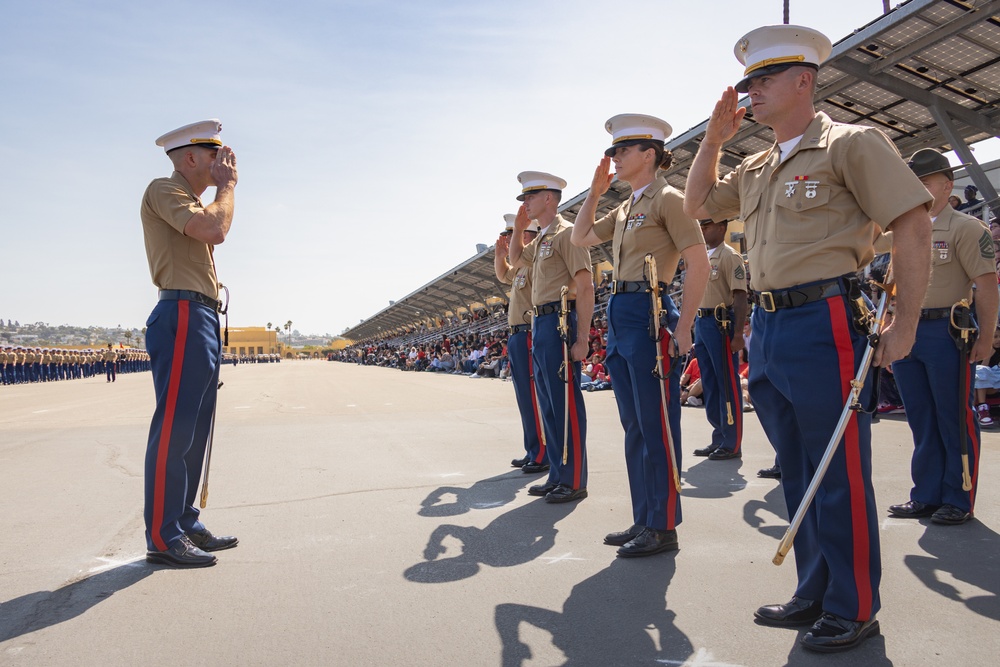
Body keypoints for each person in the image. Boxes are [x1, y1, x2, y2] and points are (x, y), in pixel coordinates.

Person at [683, 25, 932, 652]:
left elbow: (911, 223)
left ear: (804, 80)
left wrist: (903, 322)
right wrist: (713, 139)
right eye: (746, 83)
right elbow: (694, 206)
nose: (751, 92)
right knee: (798, 469)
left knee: (839, 469)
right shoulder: (756, 165)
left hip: (825, 319)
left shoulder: (850, 144)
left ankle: (854, 605)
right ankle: (815, 589)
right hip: (768, 327)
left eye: (762, 80)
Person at [571, 114, 709, 556]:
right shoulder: (628, 206)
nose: (614, 158)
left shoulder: (669, 199)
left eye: (622, 151)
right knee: (634, 425)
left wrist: (684, 324)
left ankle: (663, 524)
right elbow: (582, 236)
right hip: (621, 311)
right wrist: (594, 193)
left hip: (651, 311)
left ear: (649, 154)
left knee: (657, 424)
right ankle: (643, 517)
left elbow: (699, 262)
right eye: (613, 151)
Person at [140, 119, 239, 568]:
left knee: (195, 428)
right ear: (192, 158)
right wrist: (228, 188)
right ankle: (163, 536)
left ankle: (182, 519)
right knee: (176, 427)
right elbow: (214, 230)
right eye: (216, 156)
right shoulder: (164, 188)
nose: (224, 164)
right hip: (181, 312)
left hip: (200, 313)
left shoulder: (189, 200)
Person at [887, 149, 998, 525]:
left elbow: (986, 285)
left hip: (946, 331)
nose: (916, 189)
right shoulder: (900, 230)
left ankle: (958, 496)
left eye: (925, 182)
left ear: (947, 186)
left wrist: (985, 338)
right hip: (907, 329)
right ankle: (927, 494)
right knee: (921, 417)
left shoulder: (966, 229)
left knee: (953, 417)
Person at [510, 171, 593, 503]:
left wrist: (583, 338)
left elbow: (586, 286)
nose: (525, 203)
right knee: (548, 404)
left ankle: (573, 479)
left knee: (565, 403)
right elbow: (515, 260)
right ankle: (558, 473)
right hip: (541, 324)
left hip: (560, 323)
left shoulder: (567, 234)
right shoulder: (543, 238)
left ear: (549, 198)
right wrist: (518, 230)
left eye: (530, 197)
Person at [495, 213, 548, 475]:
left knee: (533, 396)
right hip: (516, 334)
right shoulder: (520, 265)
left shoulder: (536, 260)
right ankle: (532, 449)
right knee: (523, 398)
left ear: (530, 235)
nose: (510, 239)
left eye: (515, 234)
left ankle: (541, 452)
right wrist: (499, 255)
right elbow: (503, 275)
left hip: (529, 331)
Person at [691, 218, 748, 460]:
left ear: (722, 228)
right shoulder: (702, 256)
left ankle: (732, 441)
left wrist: (737, 334)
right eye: (701, 226)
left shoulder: (729, 256)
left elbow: (740, 297)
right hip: (703, 323)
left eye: (707, 225)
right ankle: (719, 436)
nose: (702, 229)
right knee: (711, 384)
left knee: (727, 383)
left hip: (720, 323)